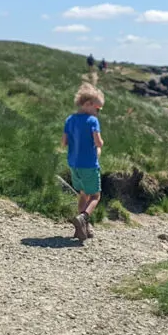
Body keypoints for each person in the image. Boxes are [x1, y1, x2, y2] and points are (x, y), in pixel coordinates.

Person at [62, 83, 104, 241]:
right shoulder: (92, 121)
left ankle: (83, 229)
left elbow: (64, 142)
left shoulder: (70, 120)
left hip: (73, 164)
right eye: (98, 109)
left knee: (83, 194)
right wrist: (99, 147)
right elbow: (98, 143)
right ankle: (84, 218)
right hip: (89, 165)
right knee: (95, 196)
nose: (98, 113)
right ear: (88, 104)